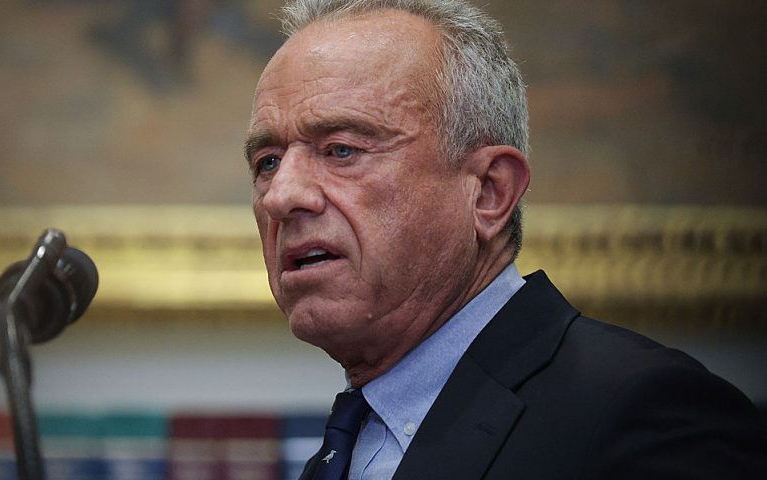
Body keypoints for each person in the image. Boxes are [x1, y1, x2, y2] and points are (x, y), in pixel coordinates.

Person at [243, 0, 767, 478]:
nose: (280, 196)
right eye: (268, 162)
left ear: (490, 193)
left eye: (341, 150)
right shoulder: (340, 453)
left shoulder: (644, 414)